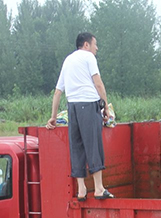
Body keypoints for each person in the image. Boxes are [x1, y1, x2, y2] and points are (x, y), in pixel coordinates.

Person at [46, 32, 114, 201]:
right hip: (88, 104)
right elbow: (98, 84)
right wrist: (105, 106)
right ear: (86, 45)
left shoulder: (68, 60)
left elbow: (57, 92)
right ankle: (98, 188)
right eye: (95, 44)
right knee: (93, 145)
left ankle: (81, 190)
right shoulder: (88, 57)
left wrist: (53, 116)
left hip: (73, 108)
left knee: (77, 147)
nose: (96, 48)